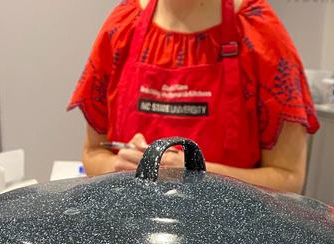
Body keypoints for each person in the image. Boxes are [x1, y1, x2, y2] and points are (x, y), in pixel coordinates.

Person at [68, 0, 318, 193]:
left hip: (227, 241)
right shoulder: (122, 27)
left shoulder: (260, 34)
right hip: (131, 235)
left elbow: (289, 178)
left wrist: (194, 174)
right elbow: (93, 152)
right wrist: (120, 168)